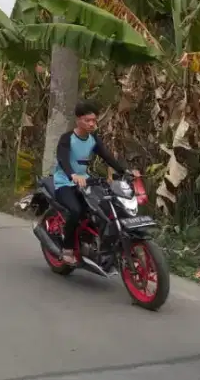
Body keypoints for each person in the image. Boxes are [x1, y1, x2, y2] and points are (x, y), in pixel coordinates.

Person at [51, 100, 140, 265]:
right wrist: (72, 175)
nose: (92, 124)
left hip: (86, 182)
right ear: (78, 120)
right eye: (87, 120)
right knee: (76, 211)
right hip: (64, 183)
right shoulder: (67, 138)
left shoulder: (93, 139)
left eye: (94, 120)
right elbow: (63, 160)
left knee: (104, 210)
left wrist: (125, 171)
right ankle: (67, 248)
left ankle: (103, 247)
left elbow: (107, 157)